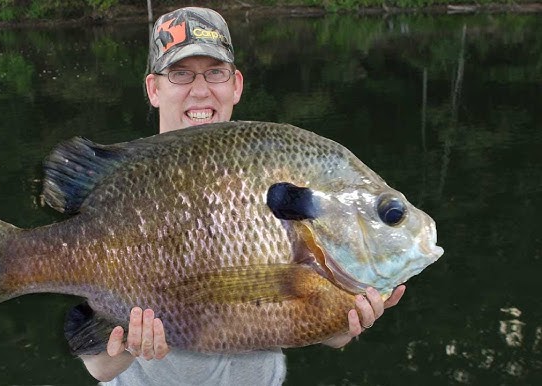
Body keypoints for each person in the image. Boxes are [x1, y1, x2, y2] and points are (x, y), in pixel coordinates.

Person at [79, 7, 406, 385]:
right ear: (154, 88)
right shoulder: (126, 183)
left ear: (235, 84)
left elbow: (319, 324)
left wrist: (344, 319)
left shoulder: (274, 166)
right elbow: (100, 367)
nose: (200, 89)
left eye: (214, 72)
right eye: (180, 73)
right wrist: (131, 345)